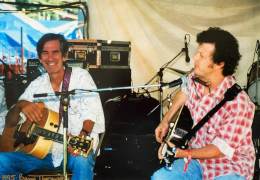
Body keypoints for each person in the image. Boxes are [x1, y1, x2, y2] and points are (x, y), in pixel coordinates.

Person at [151, 27, 255, 180]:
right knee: (159, 178)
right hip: (198, 159)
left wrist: (183, 153)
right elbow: (184, 92)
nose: (195, 58)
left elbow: (219, 149)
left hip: (230, 166)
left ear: (220, 63)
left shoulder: (239, 103)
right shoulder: (196, 79)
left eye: (201, 55)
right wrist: (166, 120)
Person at [0, 33, 105, 180]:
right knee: (1, 161)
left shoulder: (81, 77)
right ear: (40, 58)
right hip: (42, 154)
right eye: (45, 53)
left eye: (55, 52)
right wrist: (21, 105)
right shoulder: (37, 84)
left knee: (82, 160)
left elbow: (91, 113)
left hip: (74, 150)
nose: (50, 58)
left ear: (64, 56)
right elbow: (10, 122)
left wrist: (83, 135)